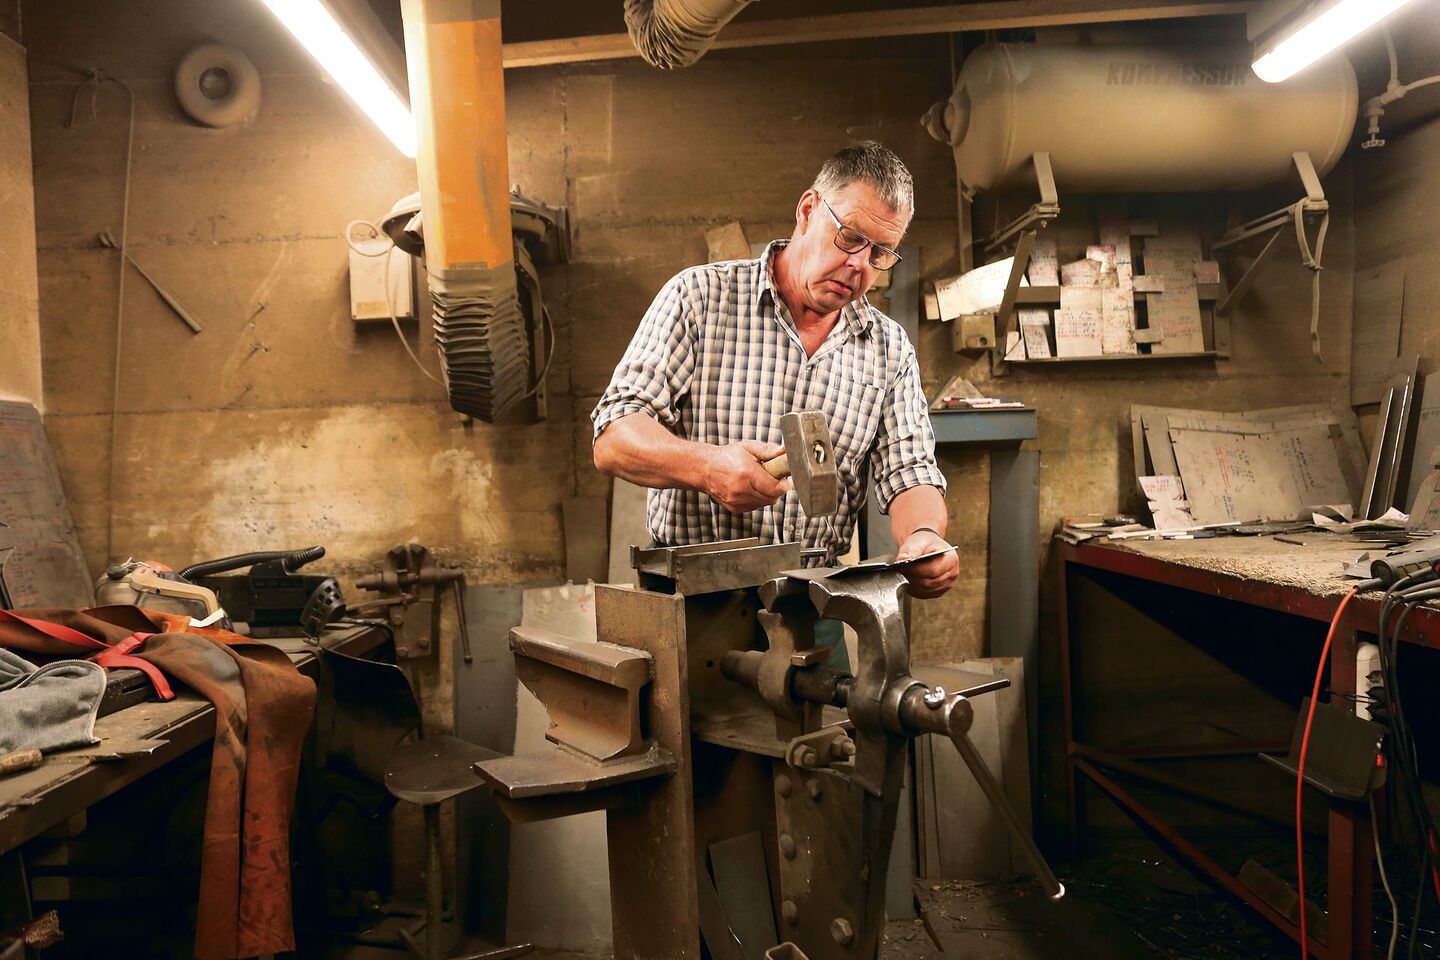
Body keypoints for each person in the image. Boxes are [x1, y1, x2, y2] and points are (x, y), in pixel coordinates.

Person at [591, 140, 959, 607]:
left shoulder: (889, 349)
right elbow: (614, 438)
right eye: (850, 237)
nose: (859, 265)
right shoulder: (700, 299)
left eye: (880, 253)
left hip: (814, 600)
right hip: (693, 597)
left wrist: (925, 535)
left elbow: (910, 472)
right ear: (808, 210)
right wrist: (707, 467)